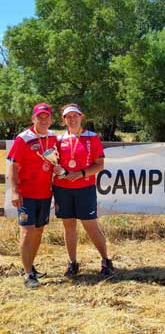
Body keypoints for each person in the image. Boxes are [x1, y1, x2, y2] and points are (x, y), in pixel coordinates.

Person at [53, 103, 113, 277]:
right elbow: (54, 164)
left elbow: (99, 165)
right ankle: (72, 263)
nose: (72, 119)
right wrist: (57, 170)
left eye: (75, 116)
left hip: (84, 188)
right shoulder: (59, 139)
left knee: (90, 226)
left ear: (81, 117)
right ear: (63, 120)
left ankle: (106, 260)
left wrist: (81, 173)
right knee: (68, 225)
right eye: (68, 117)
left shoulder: (91, 137)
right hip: (62, 188)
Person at [8, 103, 57, 288]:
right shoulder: (23, 138)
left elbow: (56, 159)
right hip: (26, 194)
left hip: (45, 193)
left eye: (47, 117)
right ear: (33, 118)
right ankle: (28, 275)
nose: (43, 120)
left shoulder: (53, 137)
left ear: (51, 119)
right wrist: (14, 190)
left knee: (38, 230)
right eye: (40, 117)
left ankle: (31, 267)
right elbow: (12, 164)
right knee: (27, 231)